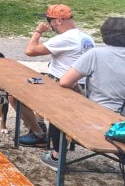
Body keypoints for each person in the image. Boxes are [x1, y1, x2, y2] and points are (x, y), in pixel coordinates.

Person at [40, 17, 125, 170]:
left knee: (57, 112)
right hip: (122, 121)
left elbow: (65, 81)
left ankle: (56, 157)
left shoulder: (96, 54)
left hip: (98, 117)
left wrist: (78, 89)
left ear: (104, 34)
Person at [15, 4, 94, 147]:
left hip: (62, 84)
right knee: (33, 80)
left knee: (14, 93)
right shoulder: (86, 37)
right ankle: (39, 124)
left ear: (58, 21)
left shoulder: (65, 38)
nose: (50, 26)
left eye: (50, 21)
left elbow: (30, 51)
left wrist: (38, 32)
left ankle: (38, 134)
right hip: (80, 84)